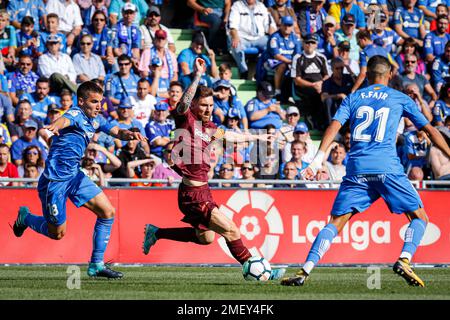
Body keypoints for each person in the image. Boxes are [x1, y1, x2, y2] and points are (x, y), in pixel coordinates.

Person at [281, 55, 450, 288]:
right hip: (387, 167)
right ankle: (404, 259)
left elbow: (334, 126)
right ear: (390, 74)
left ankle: (304, 270)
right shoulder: (399, 98)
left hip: (357, 168)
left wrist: (317, 160)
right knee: (419, 218)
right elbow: (430, 130)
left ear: (367, 76)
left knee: (336, 221)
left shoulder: (354, 97)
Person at [141, 58, 285, 280]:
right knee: (232, 230)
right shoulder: (185, 119)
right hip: (192, 194)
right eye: (204, 104)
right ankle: (257, 269)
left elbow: (231, 136)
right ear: (195, 104)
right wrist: (198, 76)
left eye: (211, 105)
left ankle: (156, 232)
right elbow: (183, 103)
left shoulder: (210, 129)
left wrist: (260, 136)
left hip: (203, 191)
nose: (208, 109)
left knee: (206, 238)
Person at [12, 81, 147, 279]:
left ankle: (96, 265)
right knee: (57, 234)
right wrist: (54, 126)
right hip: (54, 181)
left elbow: (117, 131)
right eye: (94, 102)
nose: (99, 106)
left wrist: (130, 134)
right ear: (82, 102)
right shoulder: (75, 114)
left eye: (100, 101)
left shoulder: (96, 120)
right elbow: (64, 120)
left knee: (107, 211)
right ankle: (26, 218)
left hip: (74, 176)